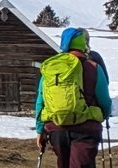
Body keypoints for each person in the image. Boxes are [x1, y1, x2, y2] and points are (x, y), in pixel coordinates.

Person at [34, 27, 113, 168]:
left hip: (56, 128)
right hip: (86, 129)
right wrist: (103, 116)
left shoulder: (52, 69)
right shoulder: (93, 67)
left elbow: (41, 101)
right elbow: (105, 102)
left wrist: (40, 130)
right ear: (84, 44)